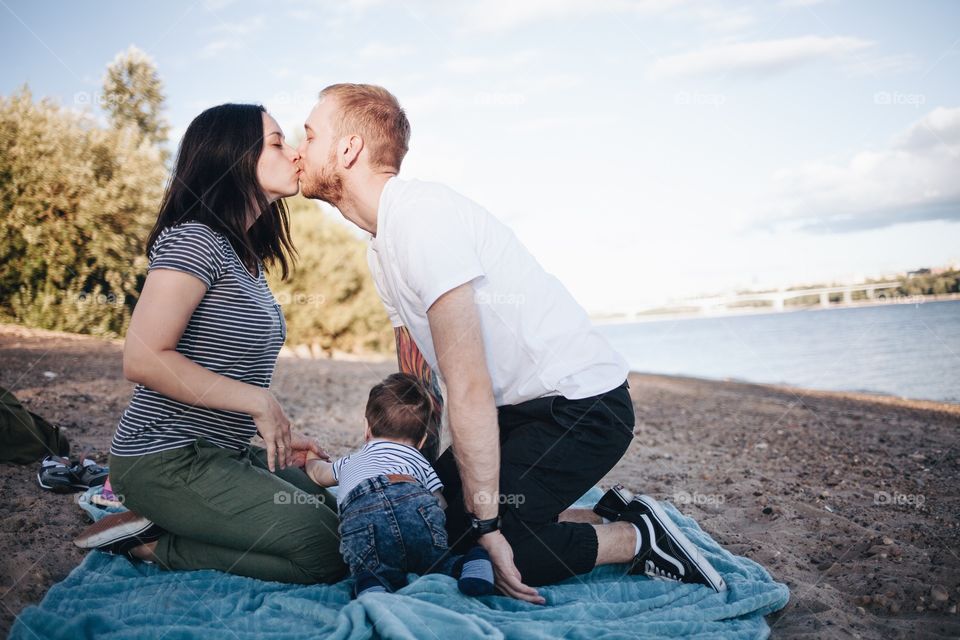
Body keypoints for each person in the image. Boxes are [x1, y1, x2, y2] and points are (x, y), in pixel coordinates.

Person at [297, 84, 726, 603]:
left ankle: (638, 538)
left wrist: (490, 529)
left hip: (582, 410)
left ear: (348, 151)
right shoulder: (381, 243)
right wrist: (402, 457)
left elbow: (469, 385)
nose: (299, 149)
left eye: (309, 134)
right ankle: (605, 513)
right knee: (432, 525)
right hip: (515, 414)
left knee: (490, 545)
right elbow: (417, 365)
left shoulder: (421, 218)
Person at [73, 103, 346, 585]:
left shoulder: (246, 258)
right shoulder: (195, 240)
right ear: (235, 156)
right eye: (278, 142)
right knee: (322, 548)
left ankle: (181, 519)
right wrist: (258, 402)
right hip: (163, 458)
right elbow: (142, 357)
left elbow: (222, 368)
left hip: (222, 451)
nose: (296, 153)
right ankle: (150, 541)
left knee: (335, 517)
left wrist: (268, 432)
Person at [303, 373, 495, 597]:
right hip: (413, 504)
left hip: (363, 517)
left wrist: (310, 459)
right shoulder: (419, 460)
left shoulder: (351, 461)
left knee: (371, 569)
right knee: (438, 562)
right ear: (423, 440)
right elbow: (439, 503)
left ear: (366, 428)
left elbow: (319, 475)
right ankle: (468, 564)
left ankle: (372, 585)